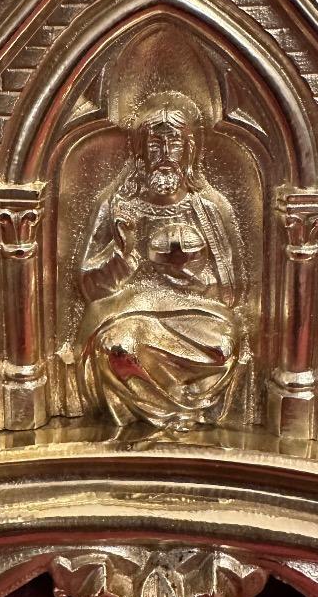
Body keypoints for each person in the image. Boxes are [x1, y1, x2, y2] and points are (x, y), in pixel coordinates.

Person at [77, 98, 245, 430]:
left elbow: (232, 287)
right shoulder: (117, 206)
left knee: (222, 348)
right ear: (140, 153)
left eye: (174, 142)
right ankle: (155, 417)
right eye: (155, 143)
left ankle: (189, 411)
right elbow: (89, 285)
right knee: (118, 349)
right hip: (131, 310)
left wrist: (189, 273)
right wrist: (124, 252)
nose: (165, 152)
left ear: (190, 151)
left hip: (196, 312)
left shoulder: (210, 209)